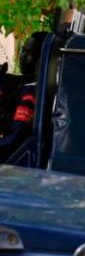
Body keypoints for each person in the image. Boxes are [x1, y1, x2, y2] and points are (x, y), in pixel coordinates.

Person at [0, 32, 45, 165]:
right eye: (23, 51)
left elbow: (13, 140)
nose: (22, 57)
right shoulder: (22, 84)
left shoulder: (31, 91)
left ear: (39, 61)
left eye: (29, 53)